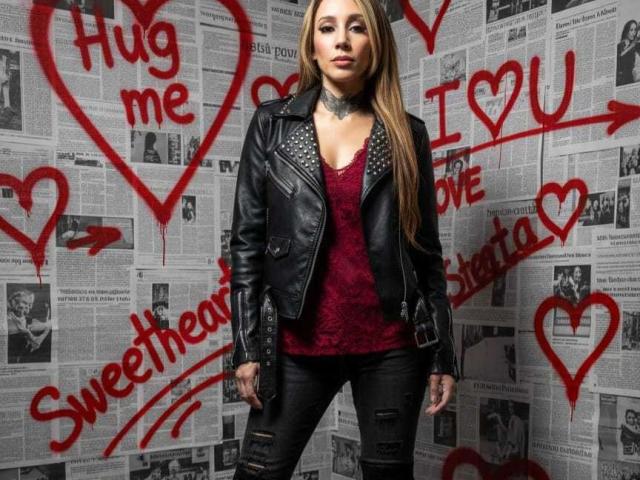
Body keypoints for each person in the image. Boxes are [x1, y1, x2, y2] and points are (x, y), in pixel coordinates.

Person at [230, 1, 458, 479]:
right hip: (296, 343)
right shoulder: (273, 126)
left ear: (375, 43)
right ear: (312, 45)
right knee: (258, 473)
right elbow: (247, 243)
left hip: (391, 345)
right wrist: (247, 346)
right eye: (328, 27)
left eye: (357, 27)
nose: (341, 40)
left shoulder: (407, 134)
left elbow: (426, 254)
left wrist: (442, 354)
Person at [7, 290, 52, 363]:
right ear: (14, 303)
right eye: (25, 303)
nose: (29, 307)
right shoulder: (9, 317)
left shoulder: (30, 320)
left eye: (30, 304)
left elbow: (36, 343)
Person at [617, 20, 638, 86]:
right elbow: (620, 55)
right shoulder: (620, 45)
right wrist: (631, 46)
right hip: (622, 81)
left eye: (635, 30)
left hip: (631, 78)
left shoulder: (634, 46)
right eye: (631, 30)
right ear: (626, 31)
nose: (634, 32)